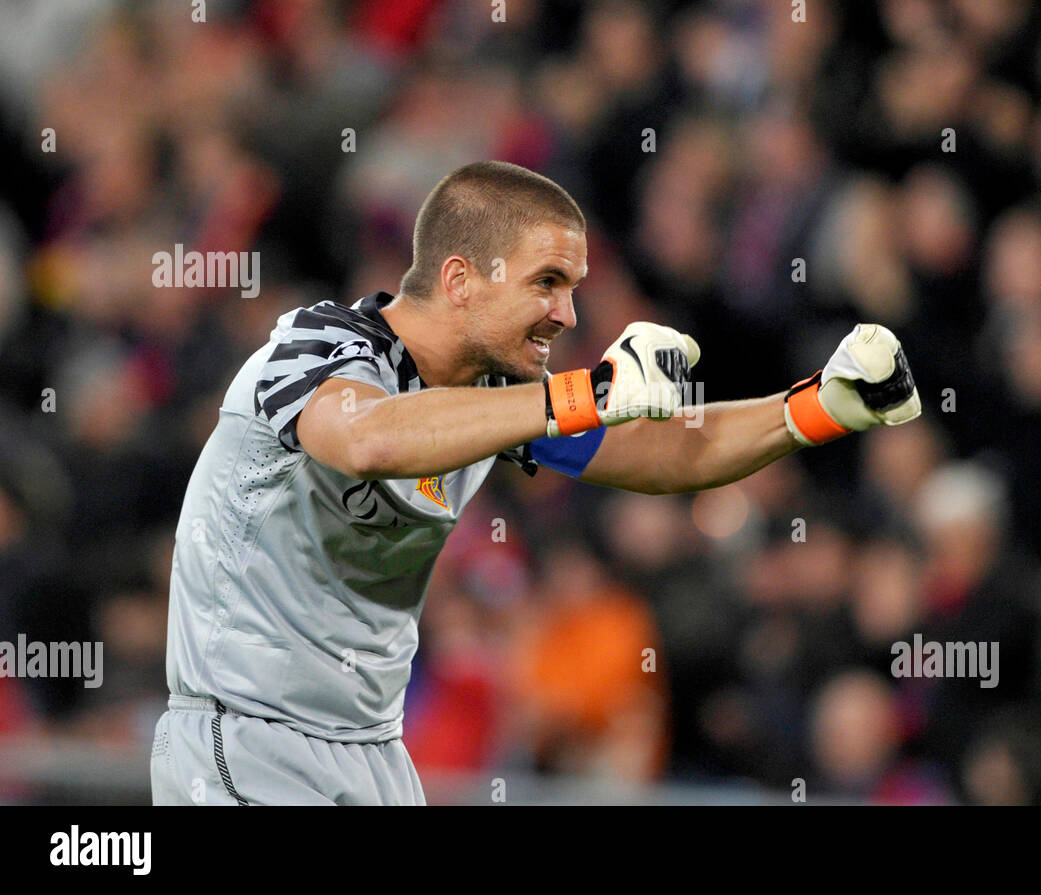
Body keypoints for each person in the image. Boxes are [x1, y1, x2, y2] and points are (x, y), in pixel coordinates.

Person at [149, 160, 922, 805]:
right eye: (547, 282)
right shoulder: (317, 343)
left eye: (575, 286)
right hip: (246, 737)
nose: (566, 312)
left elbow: (675, 452)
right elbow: (368, 437)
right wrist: (583, 394)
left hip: (372, 752)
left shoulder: (496, 397)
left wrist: (819, 407)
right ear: (460, 279)